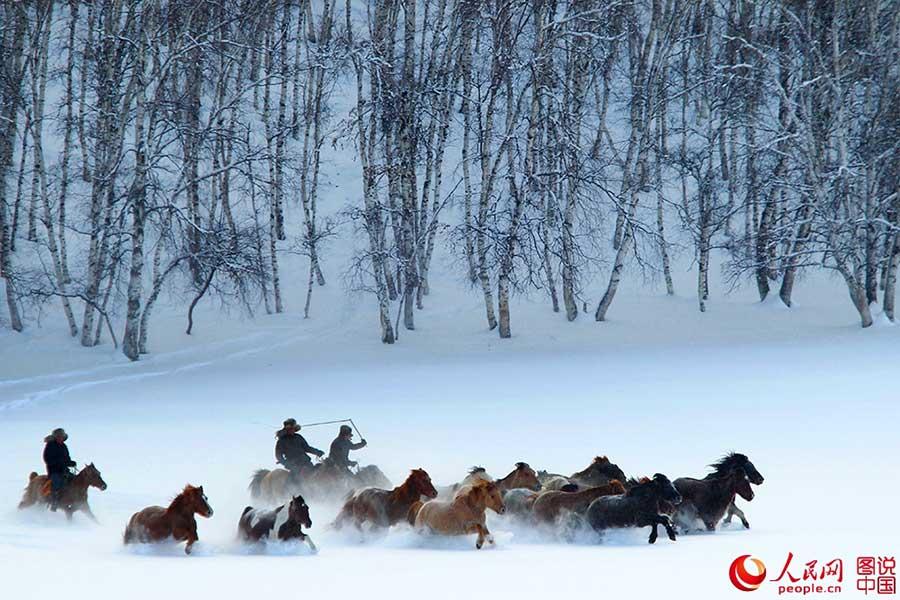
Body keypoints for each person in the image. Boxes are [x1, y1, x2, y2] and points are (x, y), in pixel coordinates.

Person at [275, 418, 324, 483]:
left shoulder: (298, 437)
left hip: (306, 463)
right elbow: (278, 455)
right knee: (295, 482)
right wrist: (286, 464)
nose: (292, 430)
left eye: (293, 428)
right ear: (286, 429)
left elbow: (307, 448)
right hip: (293, 465)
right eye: (290, 429)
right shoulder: (281, 441)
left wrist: (317, 452)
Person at [43, 428, 76, 511]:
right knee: (56, 483)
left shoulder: (64, 446)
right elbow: (47, 459)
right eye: (59, 436)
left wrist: (70, 463)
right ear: (55, 437)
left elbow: (67, 459)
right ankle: (54, 503)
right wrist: (59, 462)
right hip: (54, 471)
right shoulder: (50, 446)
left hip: (64, 471)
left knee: (74, 480)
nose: (60, 438)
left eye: (62, 436)